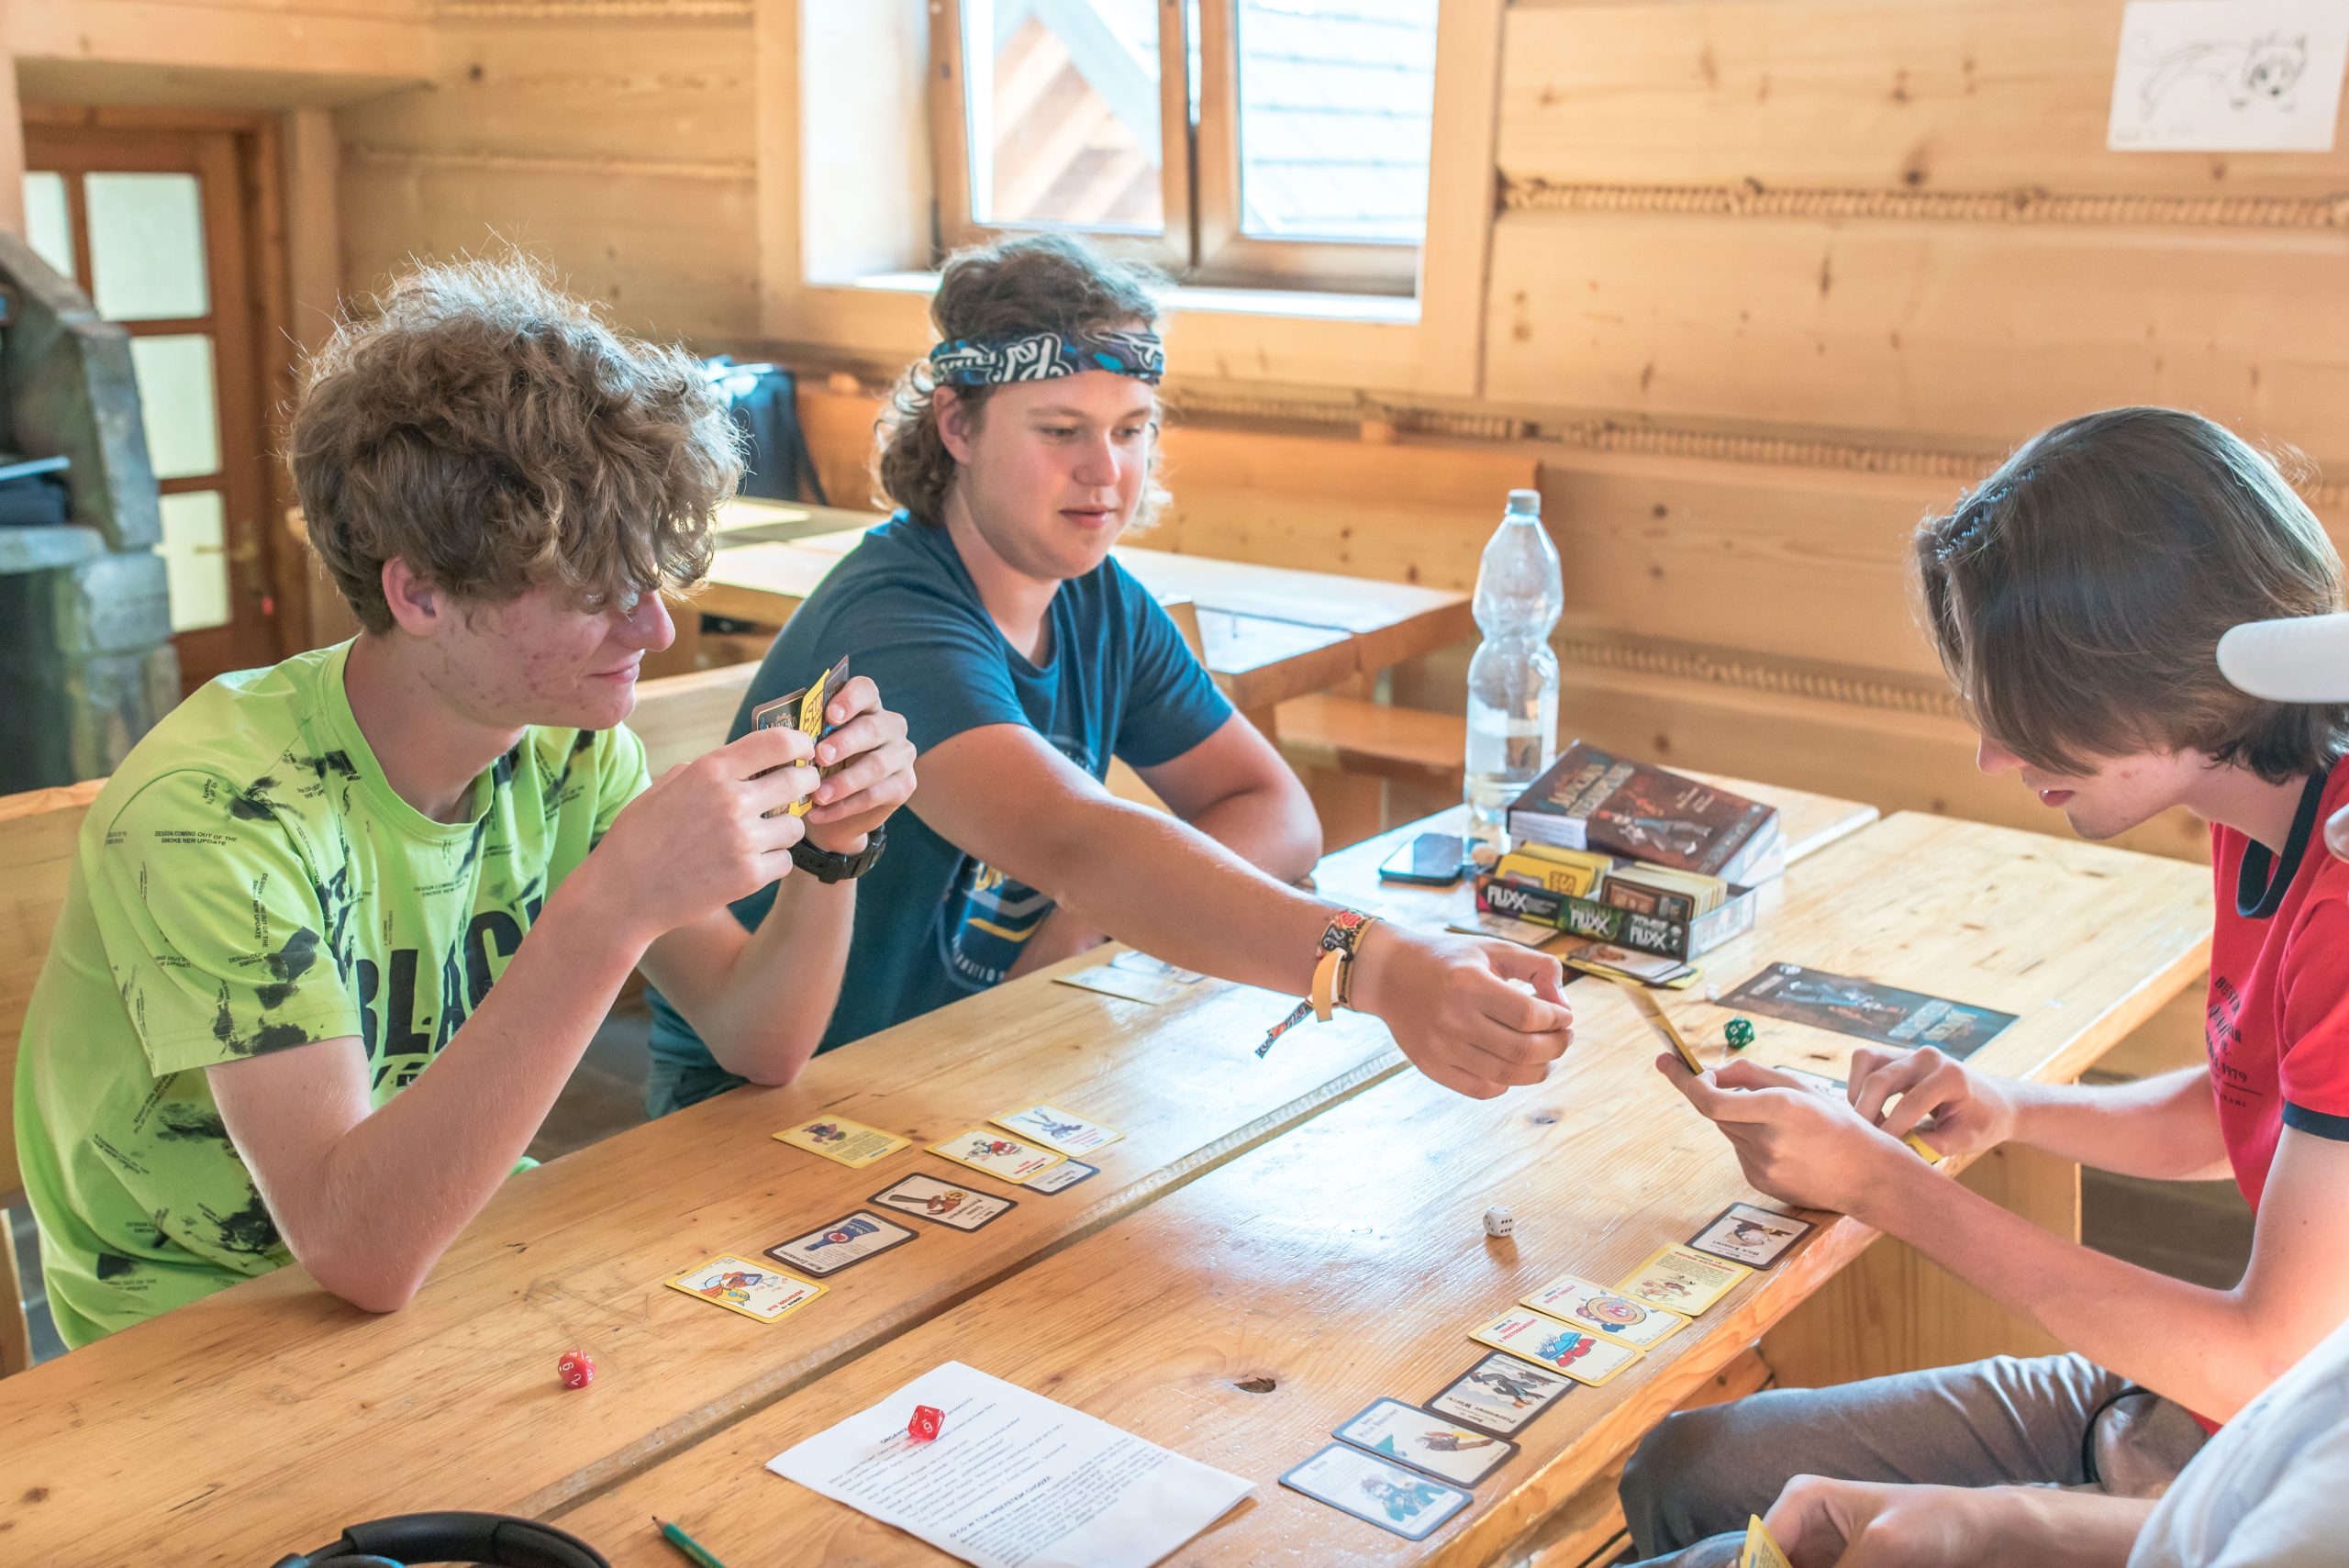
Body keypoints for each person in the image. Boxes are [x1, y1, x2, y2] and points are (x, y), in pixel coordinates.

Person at [12, 257, 918, 1346]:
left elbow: (755, 1040)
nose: (655, 633)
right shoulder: (214, 811)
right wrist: (612, 904)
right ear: (420, 590)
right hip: (185, 1328)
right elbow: (358, 1250)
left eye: (649, 582)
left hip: (468, 1239)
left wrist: (832, 849)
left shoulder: (569, 749)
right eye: (596, 594)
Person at [1617, 407, 2349, 1563]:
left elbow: (2263, 1353)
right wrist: (2007, 1104)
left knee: (1719, 1530)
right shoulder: (2255, 806)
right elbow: (2247, 1104)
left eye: (2028, 716)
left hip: (2268, 1463)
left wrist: (1890, 1187)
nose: (1994, 757)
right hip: (2191, 1412)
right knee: (1683, 1464)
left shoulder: (2344, 886)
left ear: (2157, 678)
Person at [644, 233, 1573, 1114]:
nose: (1106, 473)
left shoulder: (1097, 598)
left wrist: (1094, 920)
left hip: (984, 1062)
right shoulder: (896, 626)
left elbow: (1275, 811)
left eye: (1132, 431)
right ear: (956, 424)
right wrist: (1380, 962)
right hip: (770, 1109)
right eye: (1061, 430)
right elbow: (1078, 841)